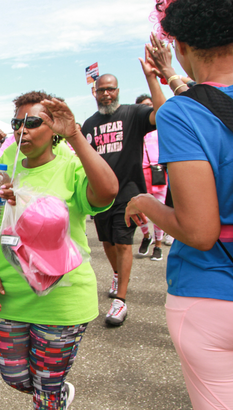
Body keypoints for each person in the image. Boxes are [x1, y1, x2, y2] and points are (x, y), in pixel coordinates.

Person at [125, 0, 233, 408]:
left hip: (213, 294)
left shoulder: (183, 114)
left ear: (184, 44)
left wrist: (145, 203)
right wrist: (169, 74)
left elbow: (199, 229)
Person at [0, 91, 118, 410]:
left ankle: (52, 394)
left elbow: (109, 190)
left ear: (54, 128)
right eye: (17, 122)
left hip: (61, 300)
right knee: (14, 376)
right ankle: (56, 391)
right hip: (10, 296)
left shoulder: (70, 165)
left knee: (45, 392)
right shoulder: (7, 163)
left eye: (32, 122)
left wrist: (74, 135)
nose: (21, 129)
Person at [79, 61, 166, 326]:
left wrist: (152, 78)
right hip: (101, 194)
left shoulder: (134, 114)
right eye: (102, 90)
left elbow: (162, 113)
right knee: (106, 241)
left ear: (118, 90)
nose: (106, 94)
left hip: (128, 192)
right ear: (95, 93)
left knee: (123, 242)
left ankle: (121, 301)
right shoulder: (89, 124)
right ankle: (117, 274)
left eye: (111, 89)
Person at [133, 96, 170, 259]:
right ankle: (146, 236)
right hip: (140, 172)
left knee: (159, 210)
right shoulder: (135, 129)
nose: (147, 109)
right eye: (142, 106)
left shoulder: (162, 127)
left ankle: (158, 244)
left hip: (158, 171)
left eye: (149, 105)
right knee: (138, 210)